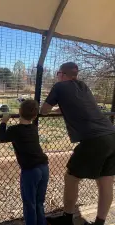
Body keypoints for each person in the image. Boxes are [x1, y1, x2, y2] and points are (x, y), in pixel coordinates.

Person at [41, 62, 115, 225]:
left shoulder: (59, 87)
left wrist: (49, 108)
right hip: (111, 134)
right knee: (106, 181)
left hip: (94, 139)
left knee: (71, 177)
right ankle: (99, 222)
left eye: (58, 73)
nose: (57, 76)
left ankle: (67, 219)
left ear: (62, 74)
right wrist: (62, 108)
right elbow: (81, 106)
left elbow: (43, 110)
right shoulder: (83, 86)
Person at [0, 100, 49, 225]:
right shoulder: (33, 128)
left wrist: (4, 122)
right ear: (35, 115)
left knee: (29, 202)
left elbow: (0, 138)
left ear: (19, 112)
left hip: (31, 170)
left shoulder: (15, 130)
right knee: (39, 201)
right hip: (44, 167)